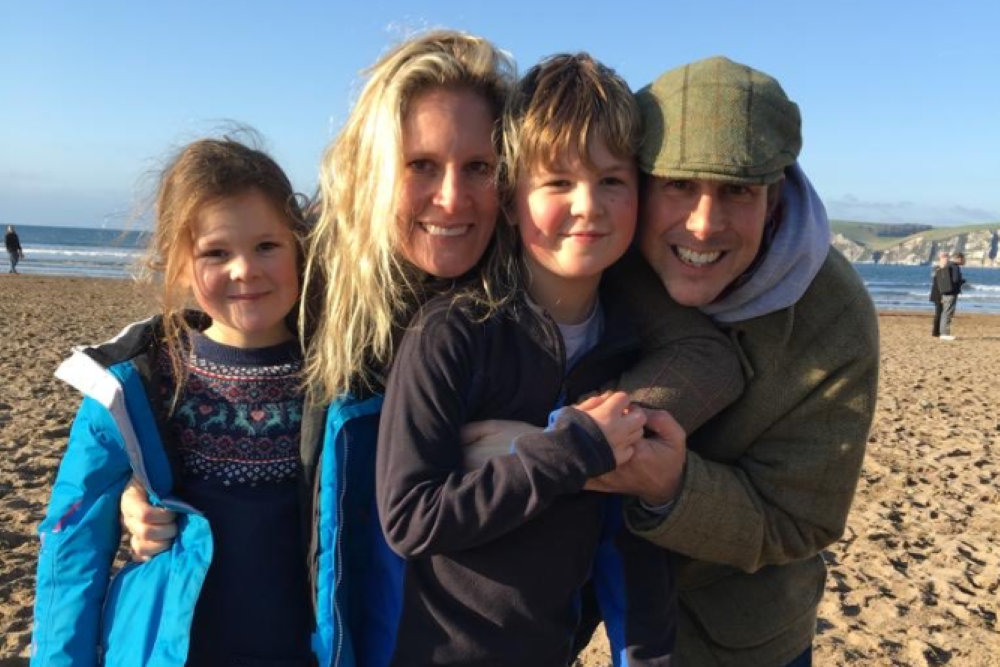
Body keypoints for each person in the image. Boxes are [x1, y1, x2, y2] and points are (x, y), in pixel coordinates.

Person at [117, 33, 744, 667]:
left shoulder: (582, 281)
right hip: (304, 619)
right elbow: (212, 347)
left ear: (503, 181)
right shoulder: (314, 280)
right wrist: (151, 486)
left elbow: (709, 355)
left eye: (476, 167)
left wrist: (564, 437)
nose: (451, 198)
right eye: (421, 165)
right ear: (375, 167)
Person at [376, 53, 734, 666]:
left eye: (612, 180)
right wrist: (565, 451)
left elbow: (628, 537)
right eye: (558, 182)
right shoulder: (454, 331)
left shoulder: (626, 348)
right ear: (511, 200)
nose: (588, 205)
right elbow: (411, 517)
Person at [566, 56, 879, 666]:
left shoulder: (834, 319)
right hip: (572, 587)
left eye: (737, 190)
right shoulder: (599, 246)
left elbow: (799, 521)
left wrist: (673, 488)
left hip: (731, 627)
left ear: (777, 194)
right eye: (678, 185)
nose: (703, 225)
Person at [31, 137, 312, 666]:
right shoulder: (134, 382)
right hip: (165, 650)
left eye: (267, 246)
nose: (244, 270)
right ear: (179, 265)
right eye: (216, 252)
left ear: (299, 246)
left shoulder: (342, 377)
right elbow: (72, 542)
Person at [935, 251, 966, 340]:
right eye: (963, 259)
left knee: (945, 312)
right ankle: (945, 333)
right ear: (959, 258)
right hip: (951, 293)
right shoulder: (955, 267)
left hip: (945, 292)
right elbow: (955, 280)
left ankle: (943, 332)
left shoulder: (948, 265)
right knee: (948, 313)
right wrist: (962, 281)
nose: (964, 261)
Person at [930, 250, 949, 336]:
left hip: (939, 294)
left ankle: (938, 331)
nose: (946, 259)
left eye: (946, 257)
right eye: (944, 257)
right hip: (938, 294)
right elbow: (940, 284)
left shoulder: (942, 269)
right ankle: (936, 332)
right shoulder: (938, 269)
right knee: (938, 313)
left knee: (941, 313)